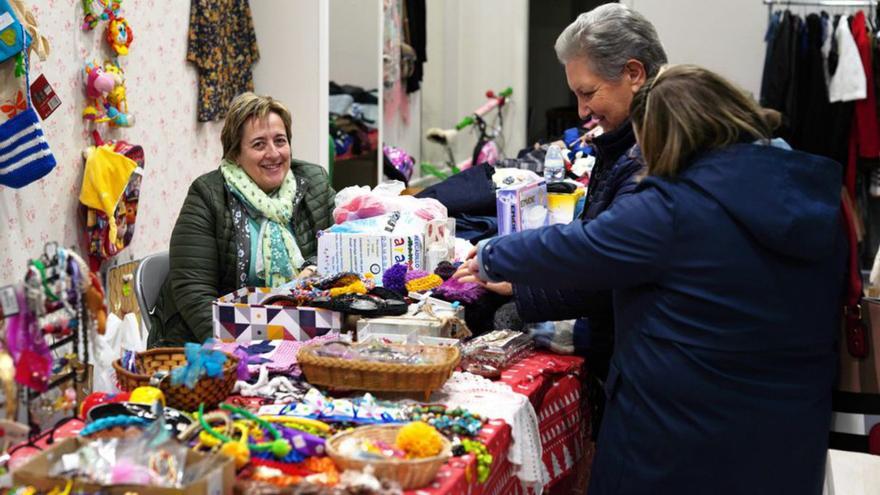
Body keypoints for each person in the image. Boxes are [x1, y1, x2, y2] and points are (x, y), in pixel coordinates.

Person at [457, 64, 845, 494]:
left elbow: (583, 247)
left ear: (667, 133)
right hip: (787, 432)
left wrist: (496, 254)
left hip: (679, 435)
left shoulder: (679, 204)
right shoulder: (813, 193)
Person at [463, 3, 668, 438]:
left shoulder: (652, 159)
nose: (580, 111)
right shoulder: (627, 145)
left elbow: (603, 256)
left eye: (588, 93)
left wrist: (510, 266)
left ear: (634, 73)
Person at [147, 92, 335, 347]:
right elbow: (193, 291)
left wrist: (311, 268)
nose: (273, 153)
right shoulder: (208, 194)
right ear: (235, 153)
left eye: (280, 141)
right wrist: (231, 352)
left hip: (298, 332)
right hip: (207, 341)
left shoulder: (313, 182)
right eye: (259, 144)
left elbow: (336, 247)